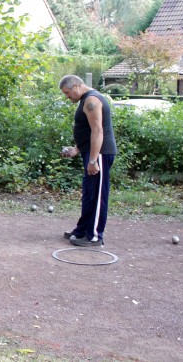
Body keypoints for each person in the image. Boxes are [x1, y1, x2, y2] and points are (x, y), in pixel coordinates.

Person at [59, 75, 117, 247]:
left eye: (67, 93)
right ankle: (82, 230)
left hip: (99, 154)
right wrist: (77, 149)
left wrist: (93, 160)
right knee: (89, 195)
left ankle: (94, 236)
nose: (67, 96)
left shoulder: (92, 100)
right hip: (90, 153)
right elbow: (87, 130)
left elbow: (98, 132)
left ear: (76, 86)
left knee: (97, 195)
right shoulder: (85, 100)